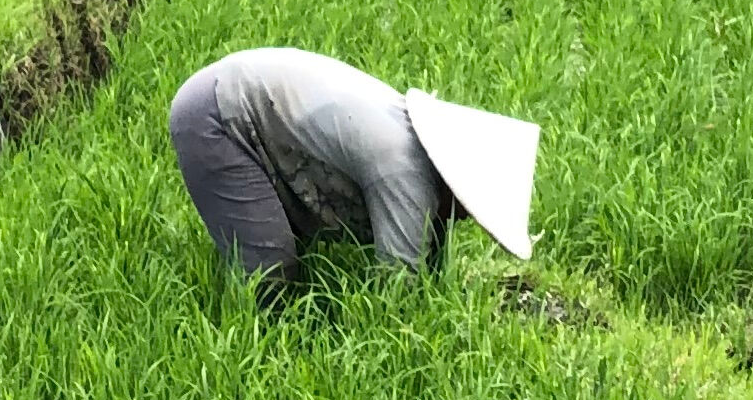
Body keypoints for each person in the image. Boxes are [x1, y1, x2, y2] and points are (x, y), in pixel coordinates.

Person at [166, 50, 540, 295]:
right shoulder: (403, 171)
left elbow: (427, 249)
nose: (470, 219)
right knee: (269, 276)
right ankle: (259, 361)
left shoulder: (417, 159)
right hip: (217, 116)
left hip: (248, 102)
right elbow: (398, 290)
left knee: (278, 251)